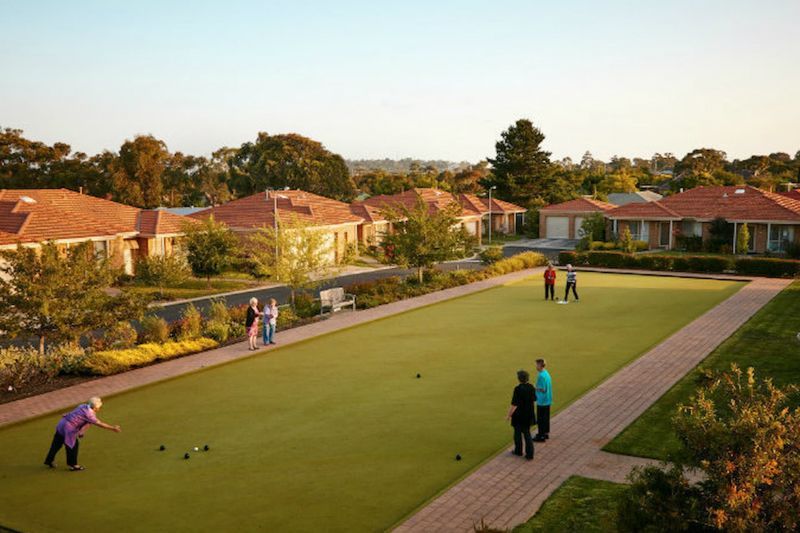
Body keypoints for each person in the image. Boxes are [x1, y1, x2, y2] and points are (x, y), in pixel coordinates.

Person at [43, 397, 121, 471]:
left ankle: (49, 460)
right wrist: (113, 428)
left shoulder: (82, 406)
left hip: (61, 424)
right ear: (95, 408)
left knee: (56, 444)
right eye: (99, 407)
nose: (99, 409)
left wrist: (81, 432)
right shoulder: (90, 415)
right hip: (69, 429)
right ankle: (73, 465)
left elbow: (86, 422)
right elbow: (99, 424)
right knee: (73, 446)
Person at [506, 369, 536, 460]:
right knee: (527, 434)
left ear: (519, 379)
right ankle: (530, 454)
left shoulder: (518, 389)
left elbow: (514, 404)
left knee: (517, 433)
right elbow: (534, 399)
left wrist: (509, 415)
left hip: (519, 416)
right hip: (529, 414)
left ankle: (518, 451)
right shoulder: (531, 387)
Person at [533, 359, 552, 442]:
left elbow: (543, 389)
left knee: (540, 419)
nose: (536, 366)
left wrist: (535, 388)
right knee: (546, 418)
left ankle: (541, 436)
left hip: (542, 400)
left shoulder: (541, 376)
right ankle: (545, 433)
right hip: (548, 399)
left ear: (540, 365)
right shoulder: (546, 373)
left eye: (537, 365)